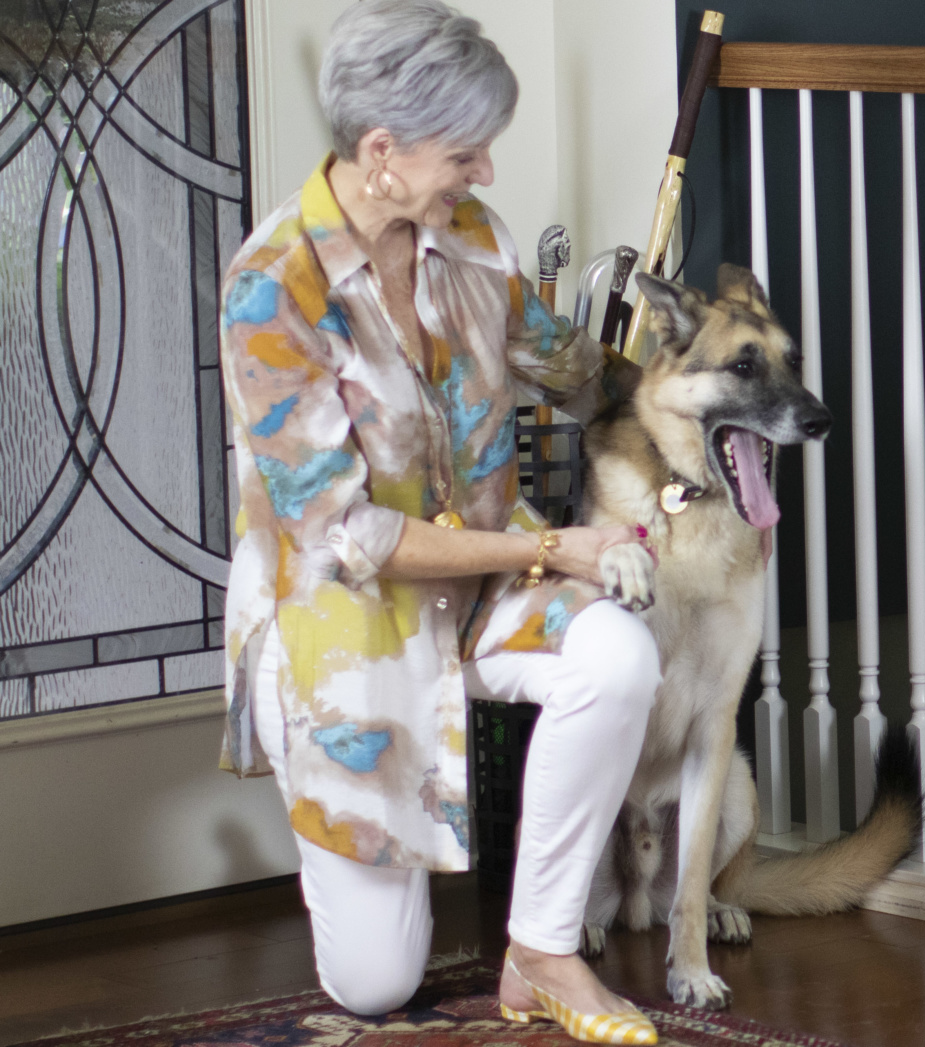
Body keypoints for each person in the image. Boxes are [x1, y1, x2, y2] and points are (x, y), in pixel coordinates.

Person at [217, 2, 659, 1042]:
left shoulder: (471, 238)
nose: (486, 174)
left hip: (485, 595)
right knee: (375, 986)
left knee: (616, 656)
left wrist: (687, 391)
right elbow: (354, 538)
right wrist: (555, 547)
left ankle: (540, 948)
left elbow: (573, 371)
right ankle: (333, 828)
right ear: (383, 153)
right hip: (346, 634)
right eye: (468, 152)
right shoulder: (272, 290)